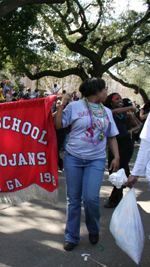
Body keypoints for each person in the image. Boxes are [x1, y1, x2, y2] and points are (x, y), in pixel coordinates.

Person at [54, 77, 120, 251]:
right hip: (73, 158)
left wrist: (116, 157)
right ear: (96, 91)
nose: (106, 92)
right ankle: (71, 236)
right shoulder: (74, 107)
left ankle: (93, 228)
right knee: (73, 199)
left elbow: (111, 135)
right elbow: (59, 124)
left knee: (91, 198)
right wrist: (62, 104)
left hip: (96, 160)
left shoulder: (107, 111)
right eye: (104, 89)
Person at [103, 93, 141, 208]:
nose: (120, 100)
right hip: (114, 144)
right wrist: (130, 107)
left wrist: (132, 130)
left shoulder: (127, 113)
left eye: (121, 99)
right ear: (111, 102)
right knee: (113, 169)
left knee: (120, 168)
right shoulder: (109, 111)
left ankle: (114, 199)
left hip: (126, 143)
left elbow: (139, 125)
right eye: (117, 99)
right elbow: (114, 112)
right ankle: (124, 194)